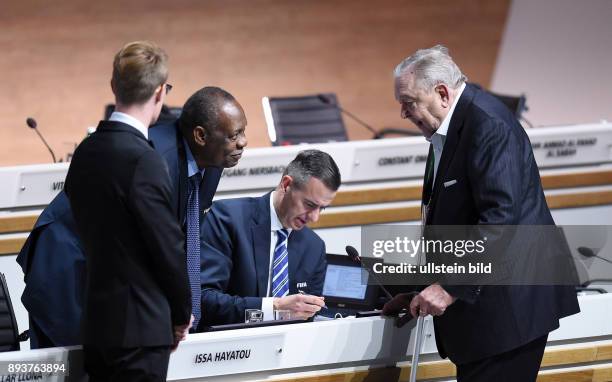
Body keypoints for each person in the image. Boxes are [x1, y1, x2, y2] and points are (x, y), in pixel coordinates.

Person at [382, 45, 580, 381]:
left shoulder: (488, 125)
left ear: (442, 93)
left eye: (408, 103)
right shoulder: (453, 125)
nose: (404, 114)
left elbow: (500, 220)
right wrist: (422, 287)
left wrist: (449, 286)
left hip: (509, 312)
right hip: (485, 312)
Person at [17, 86, 247, 348]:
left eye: (243, 132)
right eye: (234, 135)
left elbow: (181, 237)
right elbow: (149, 250)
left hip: (107, 263)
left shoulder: (212, 161)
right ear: (200, 136)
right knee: (67, 365)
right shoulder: (154, 162)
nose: (243, 142)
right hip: (66, 262)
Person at [64, 41, 189, 381]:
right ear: (161, 93)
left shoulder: (86, 153)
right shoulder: (143, 160)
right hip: (140, 332)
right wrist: (181, 314)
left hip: (97, 326)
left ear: (114, 86)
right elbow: (167, 248)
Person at [199, 149, 340, 328]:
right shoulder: (226, 219)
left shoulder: (314, 247)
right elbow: (205, 301)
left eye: (322, 208)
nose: (315, 218)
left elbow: (308, 319)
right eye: (310, 205)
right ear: (286, 184)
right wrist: (273, 308)